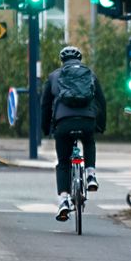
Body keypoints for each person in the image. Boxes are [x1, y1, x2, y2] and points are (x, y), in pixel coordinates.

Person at [42, 46, 107, 222]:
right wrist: (100, 126)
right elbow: (101, 101)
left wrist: (46, 129)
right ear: (80, 59)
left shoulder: (54, 76)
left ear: (62, 60)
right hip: (87, 120)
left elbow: (45, 105)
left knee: (63, 163)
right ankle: (91, 174)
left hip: (63, 123)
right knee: (88, 141)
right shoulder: (90, 74)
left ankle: (63, 199)